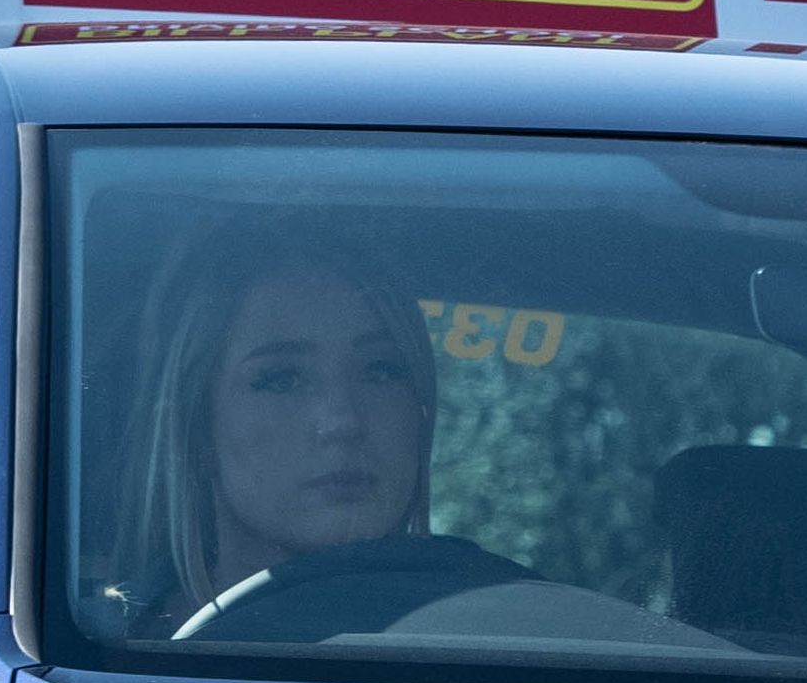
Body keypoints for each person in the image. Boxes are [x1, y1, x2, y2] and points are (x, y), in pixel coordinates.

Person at [102, 238, 533, 645]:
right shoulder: (83, 667)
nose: (343, 421)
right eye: (282, 379)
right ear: (195, 425)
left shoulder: (533, 631)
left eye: (380, 370)